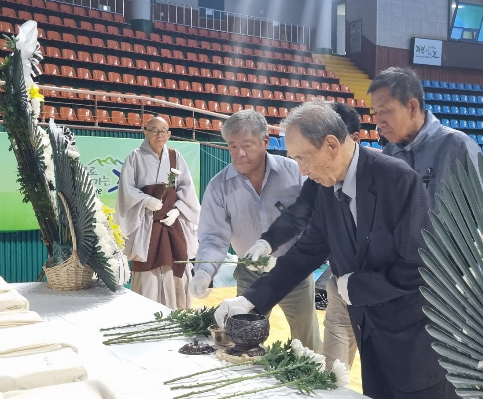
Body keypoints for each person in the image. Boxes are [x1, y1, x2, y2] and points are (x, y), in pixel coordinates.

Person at [215, 101, 458, 399]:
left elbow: (423, 266)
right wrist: (250, 301)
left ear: (331, 144)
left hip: (414, 344)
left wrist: (357, 286)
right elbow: (306, 252)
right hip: (370, 336)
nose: (302, 170)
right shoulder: (327, 187)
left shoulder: (396, 179)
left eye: (303, 158)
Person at [189, 110, 322, 352]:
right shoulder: (219, 186)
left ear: (265, 141)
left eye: (247, 145)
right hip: (249, 273)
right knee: (243, 340)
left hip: (293, 273)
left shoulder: (294, 172)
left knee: (307, 342)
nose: (239, 154)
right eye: (232, 147)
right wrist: (204, 271)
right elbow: (213, 237)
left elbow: (311, 219)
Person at [244, 103, 361, 371]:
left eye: (304, 158)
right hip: (340, 285)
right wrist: (267, 242)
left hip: (379, 298)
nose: (304, 170)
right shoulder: (320, 179)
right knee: (332, 372)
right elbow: (300, 216)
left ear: (347, 140)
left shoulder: (385, 179)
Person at [116, 116, 200, 309]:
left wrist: (178, 211)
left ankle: (178, 310)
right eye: (154, 130)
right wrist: (145, 200)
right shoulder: (135, 157)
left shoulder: (175, 156)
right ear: (145, 132)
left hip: (172, 224)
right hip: (147, 222)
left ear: (169, 134)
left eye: (163, 131)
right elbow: (126, 189)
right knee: (148, 268)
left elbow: (186, 188)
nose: (158, 135)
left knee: (177, 264)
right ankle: (148, 310)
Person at [369, 67, 481, 210]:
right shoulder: (389, 152)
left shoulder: (459, 146)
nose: (379, 122)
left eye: (384, 111)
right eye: (375, 112)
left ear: (412, 107)